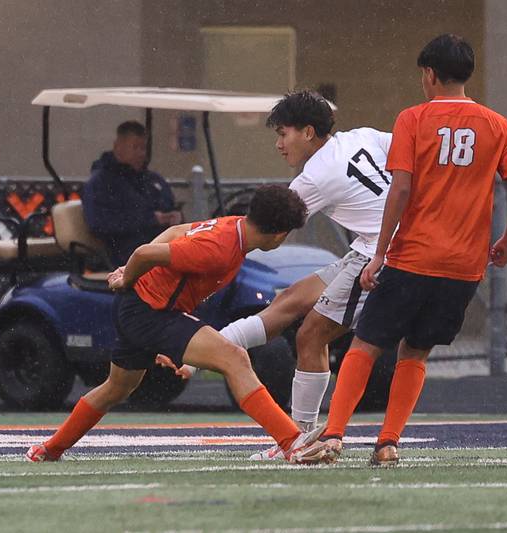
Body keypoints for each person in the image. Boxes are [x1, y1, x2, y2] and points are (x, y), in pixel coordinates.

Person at [300, 33, 507, 466]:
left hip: (412, 257)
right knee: (416, 353)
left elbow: (401, 188)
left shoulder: (413, 119)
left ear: (429, 74)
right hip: (463, 266)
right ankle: (388, 442)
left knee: (365, 345)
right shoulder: (497, 125)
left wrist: (379, 252)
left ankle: (333, 434)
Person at [26, 185, 328, 464]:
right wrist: (127, 276)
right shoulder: (221, 247)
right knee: (234, 358)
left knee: (116, 388)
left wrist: (133, 280)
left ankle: (49, 449)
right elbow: (144, 254)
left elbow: (174, 230)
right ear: (278, 235)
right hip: (149, 311)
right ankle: (291, 442)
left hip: (142, 308)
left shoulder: (234, 225)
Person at [209, 90, 392, 460]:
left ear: (308, 132)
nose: (279, 144)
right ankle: (207, 346)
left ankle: (300, 440)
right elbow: (412, 157)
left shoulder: (316, 177)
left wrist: (197, 244)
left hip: (382, 255)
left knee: (310, 335)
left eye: (283, 133)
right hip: (373, 246)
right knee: (290, 298)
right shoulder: (365, 136)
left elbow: (262, 234)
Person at [83, 120, 183, 266]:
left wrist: (174, 215)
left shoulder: (153, 180)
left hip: (159, 247)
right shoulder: (101, 183)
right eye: (135, 147)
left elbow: (167, 206)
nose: (141, 154)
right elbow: (99, 224)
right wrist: (150, 220)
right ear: (118, 147)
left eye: (143, 148)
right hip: (125, 254)